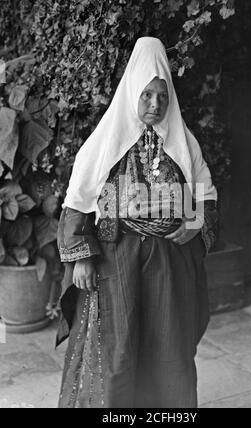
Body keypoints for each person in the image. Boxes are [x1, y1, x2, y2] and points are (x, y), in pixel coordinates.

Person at [56, 37, 218, 408]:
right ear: (132, 92)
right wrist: (81, 257)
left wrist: (194, 223)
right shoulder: (105, 141)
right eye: (146, 95)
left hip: (168, 261)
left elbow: (206, 196)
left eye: (162, 95)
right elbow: (77, 199)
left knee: (169, 344)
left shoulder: (183, 142)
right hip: (117, 259)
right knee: (119, 347)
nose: (155, 104)